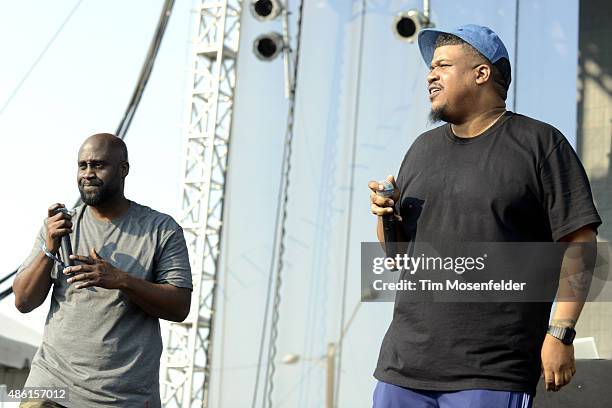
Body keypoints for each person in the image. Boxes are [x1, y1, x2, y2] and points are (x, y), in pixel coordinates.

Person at [368, 25, 601, 408]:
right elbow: (397, 255)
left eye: (442, 65)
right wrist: (385, 216)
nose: (430, 74)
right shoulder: (421, 149)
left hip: (491, 371)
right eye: (430, 67)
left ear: (481, 73)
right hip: (402, 368)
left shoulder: (540, 143)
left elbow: (580, 243)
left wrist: (560, 333)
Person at [13, 133, 193, 408]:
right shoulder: (59, 226)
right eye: (82, 165)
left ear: (123, 169)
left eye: (98, 165)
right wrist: (49, 248)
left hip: (124, 398)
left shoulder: (161, 230)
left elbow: (179, 307)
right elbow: (24, 301)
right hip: (52, 388)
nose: (88, 174)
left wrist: (121, 280)